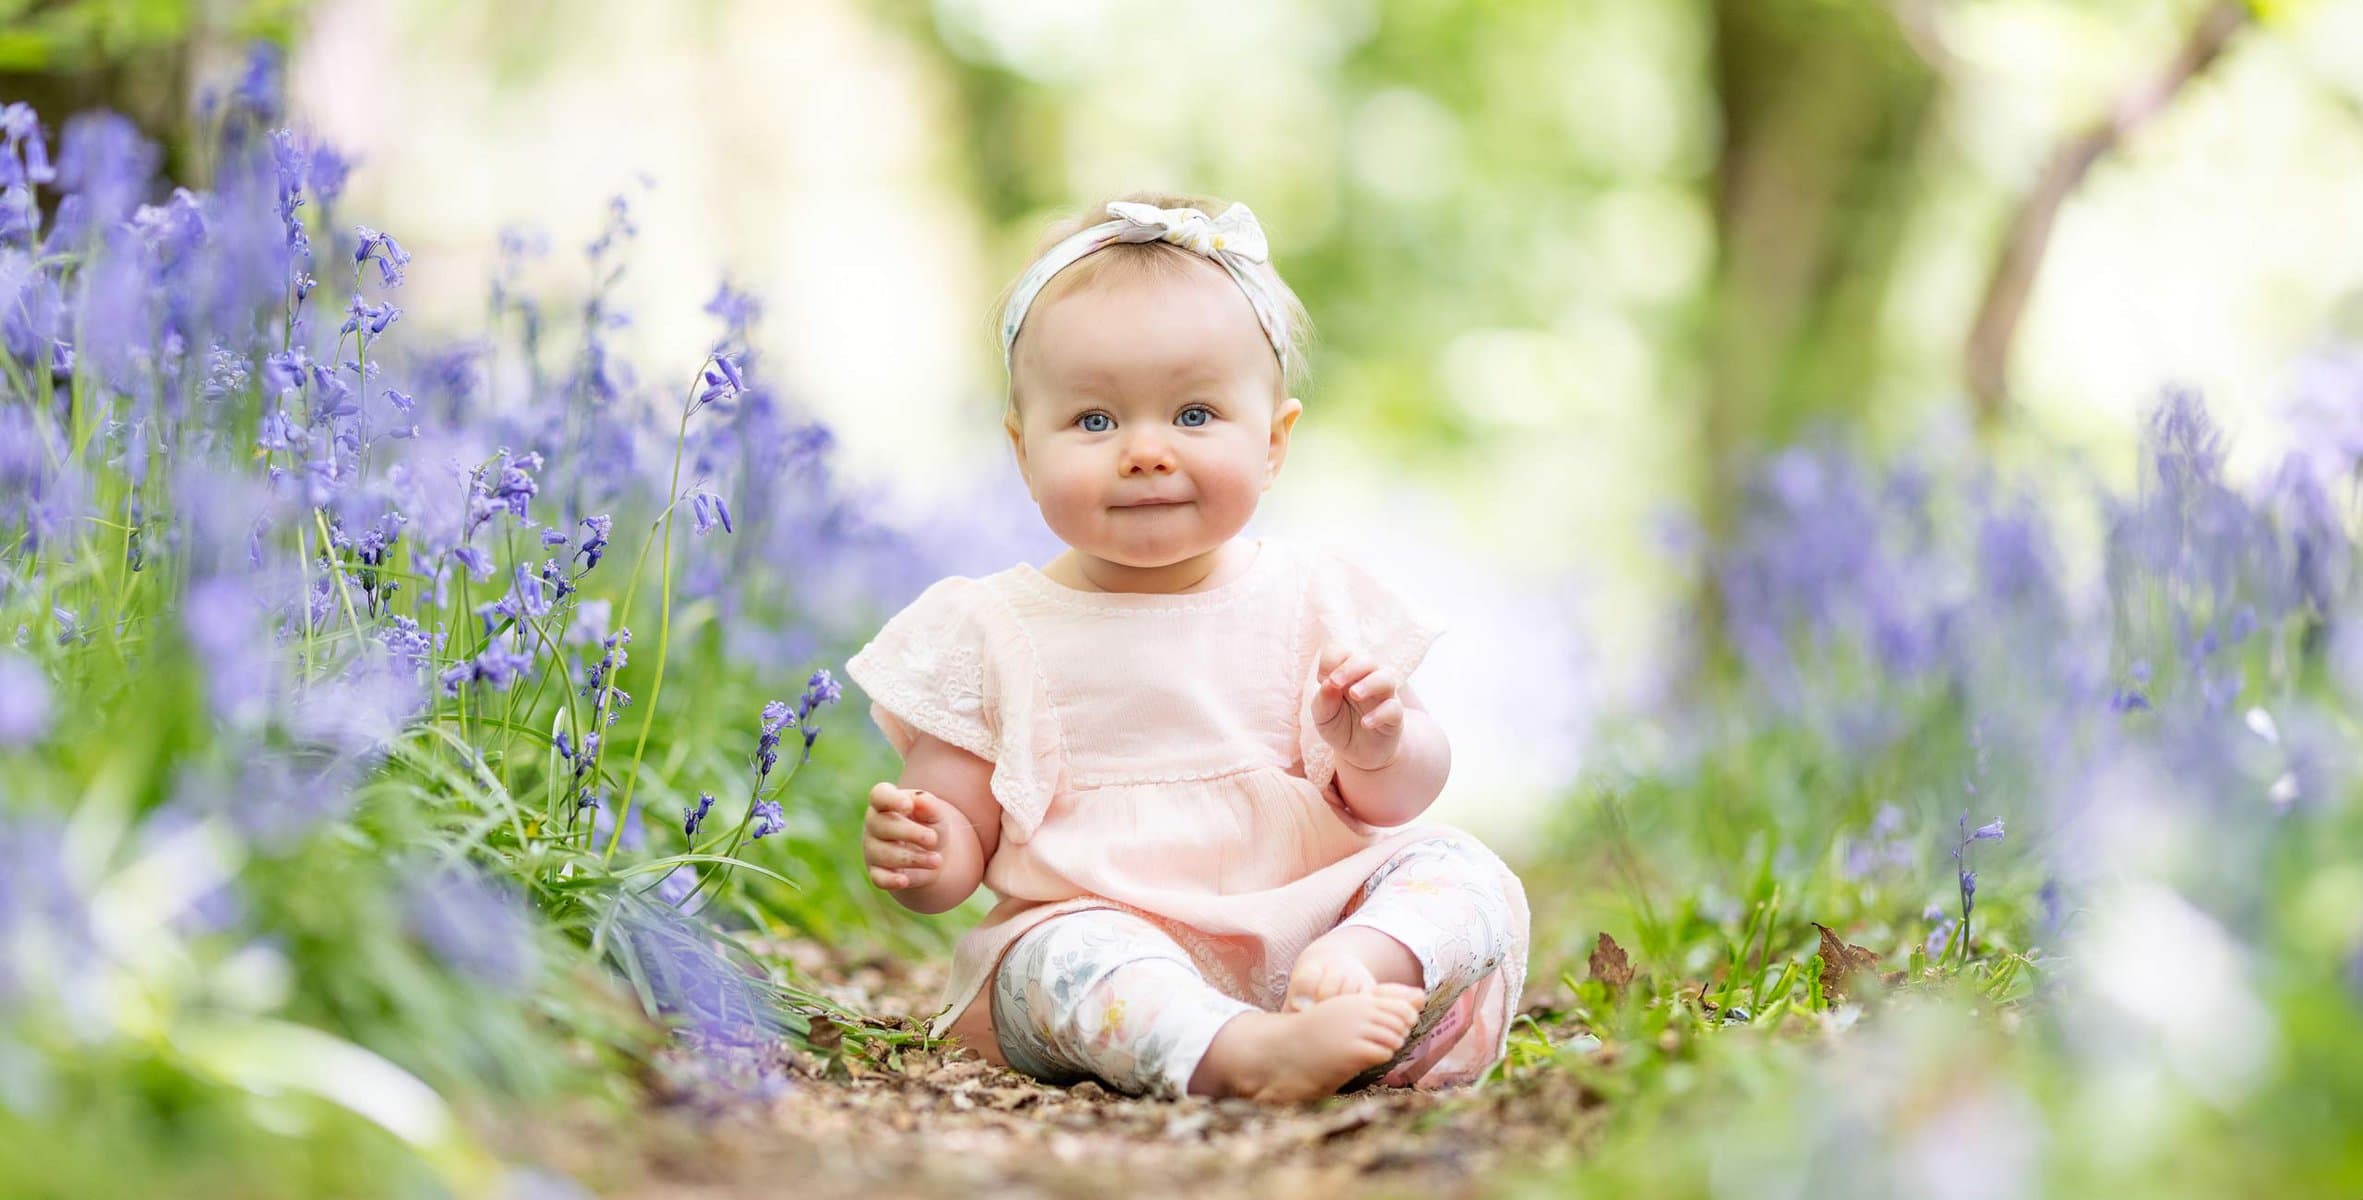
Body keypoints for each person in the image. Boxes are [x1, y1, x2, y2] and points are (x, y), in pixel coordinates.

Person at [842, 193, 1529, 1103]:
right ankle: (1238, 1053)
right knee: (1057, 958)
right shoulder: (993, 630)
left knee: (1462, 872)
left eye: (1195, 415)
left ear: (1274, 441)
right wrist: (929, 855)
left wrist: (1381, 746)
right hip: (1116, 944)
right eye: (1094, 422)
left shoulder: (1314, 599)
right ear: (1021, 448)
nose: (1145, 452)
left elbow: (1402, 796)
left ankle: (1366, 972)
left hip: (1314, 928)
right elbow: (960, 840)